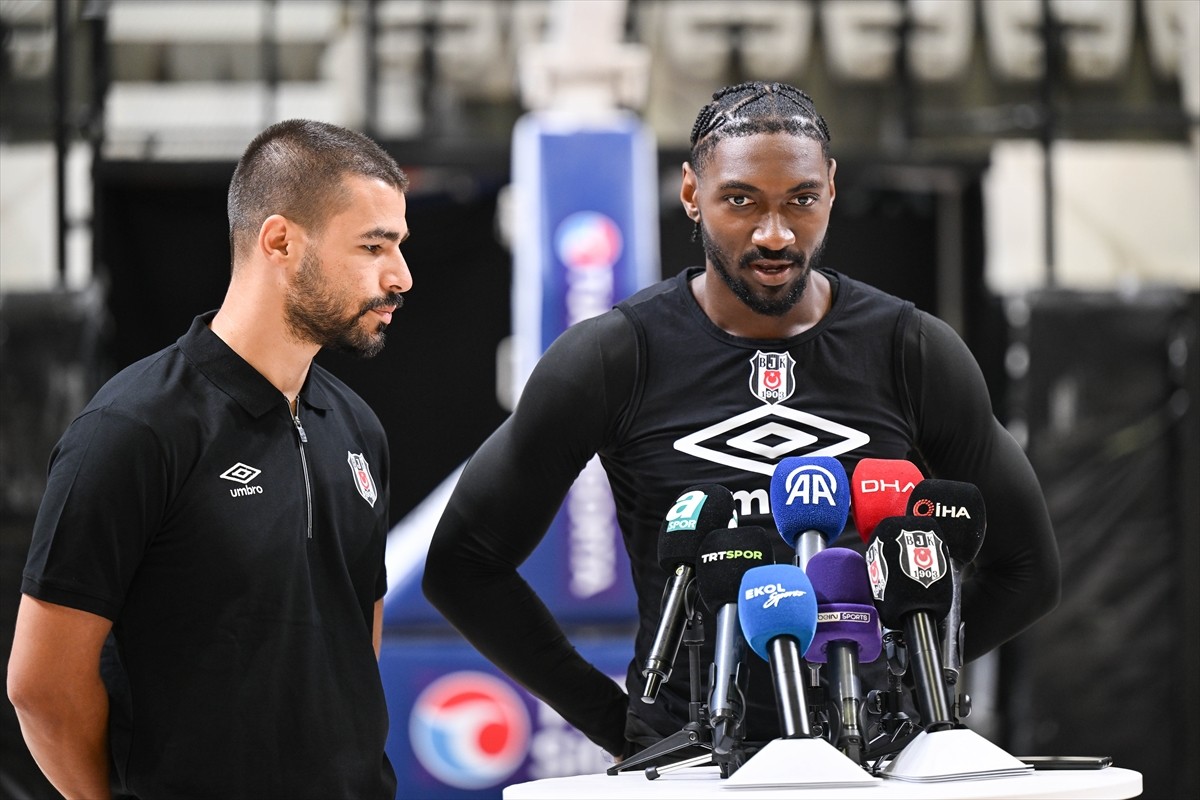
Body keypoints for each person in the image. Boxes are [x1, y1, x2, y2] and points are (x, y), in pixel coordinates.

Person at [422, 81, 1061, 763]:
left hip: (866, 761)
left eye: (801, 201)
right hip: (697, 764)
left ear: (832, 190)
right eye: (741, 201)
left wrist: (904, 691)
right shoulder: (614, 356)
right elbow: (464, 565)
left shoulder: (910, 349)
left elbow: (1027, 568)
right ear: (692, 193)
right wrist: (621, 722)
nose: (775, 234)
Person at [7, 119, 411, 799]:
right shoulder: (134, 427)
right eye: (374, 246)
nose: (399, 276)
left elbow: (353, 649)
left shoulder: (357, 428)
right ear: (280, 240)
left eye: (398, 247)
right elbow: (41, 687)